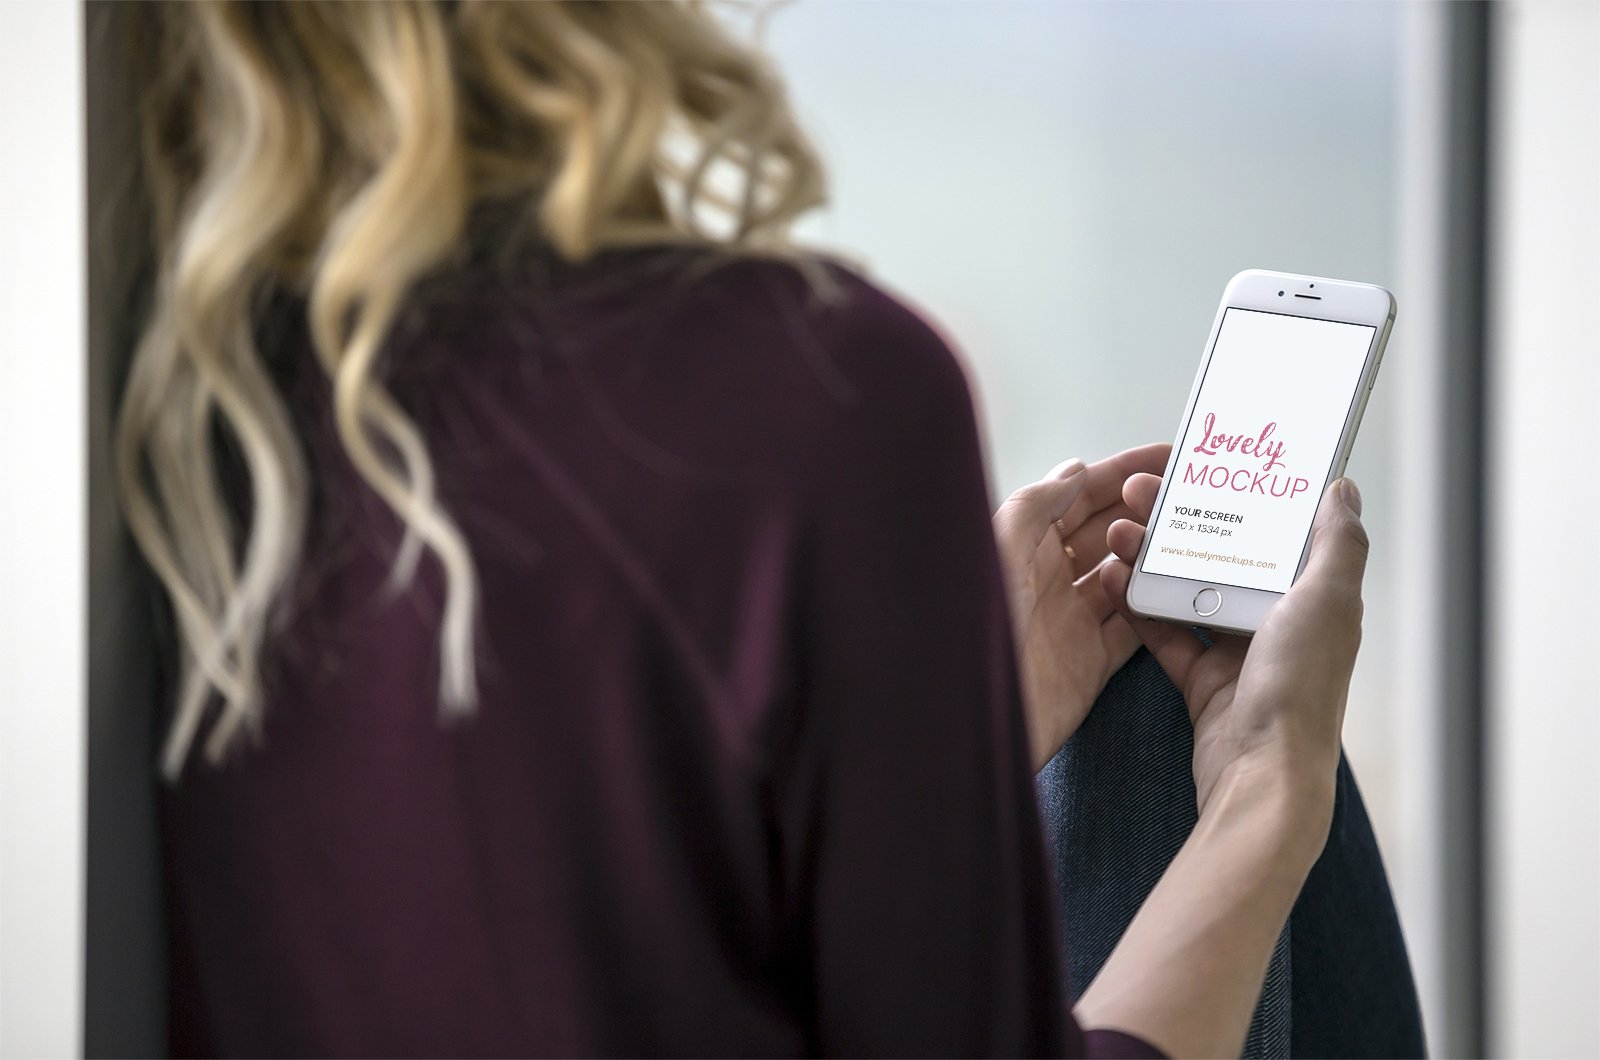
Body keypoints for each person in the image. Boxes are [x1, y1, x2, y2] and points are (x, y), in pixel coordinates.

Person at [120, 2, 1376, 1056]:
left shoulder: (141, 426)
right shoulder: (815, 397)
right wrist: (1266, 797)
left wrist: (924, 745)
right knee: (1166, 725)